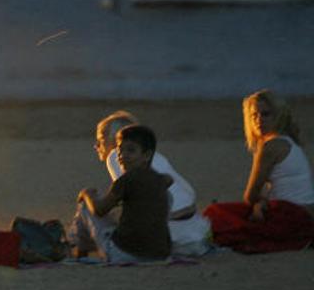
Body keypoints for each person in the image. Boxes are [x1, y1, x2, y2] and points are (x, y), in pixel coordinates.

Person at [203, 90, 314, 253]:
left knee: (214, 213)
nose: (258, 120)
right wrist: (262, 203)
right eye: (254, 115)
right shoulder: (289, 141)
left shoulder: (271, 146)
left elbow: (250, 196)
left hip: (290, 216)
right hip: (306, 216)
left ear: (278, 116)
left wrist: (259, 203)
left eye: (265, 114)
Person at [95, 110, 211, 256]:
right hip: (198, 234)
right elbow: (189, 198)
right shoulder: (155, 157)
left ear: (116, 138)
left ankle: (77, 246)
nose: (97, 146)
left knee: (96, 210)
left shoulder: (116, 157)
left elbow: (129, 197)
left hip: (169, 240)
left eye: (100, 140)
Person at [69, 125, 172, 263]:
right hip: (160, 255)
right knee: (166, 197)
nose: (122, 156)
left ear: (147, 155)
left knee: (86, 207)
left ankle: (80, 252)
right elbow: (168, 180)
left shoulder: (126, 180)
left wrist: (87, 194)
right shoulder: (160, 180)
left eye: (131, 151)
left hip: (124, 254)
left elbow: (99, 210)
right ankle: (83, 248)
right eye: (119, 150)